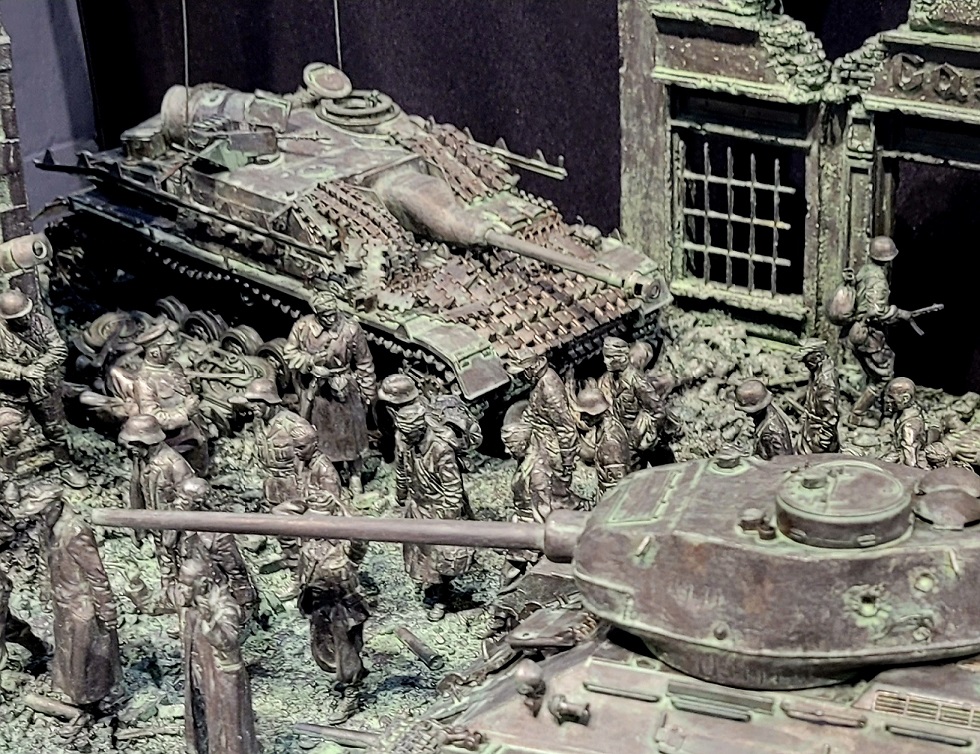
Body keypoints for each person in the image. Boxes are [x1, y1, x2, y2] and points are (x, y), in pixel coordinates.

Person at [18, 483, 121, 708]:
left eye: (42, 511)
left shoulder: (75, 531)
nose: (38, 517)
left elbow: (96, 574)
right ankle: (69, 689)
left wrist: (106, 609)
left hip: (81, 602)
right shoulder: (47, 525)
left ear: (56, 506)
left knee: (85, 652)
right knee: (66, 648)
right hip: (63, 598)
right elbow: (46, 558)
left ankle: (90, 695)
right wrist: (45, 586)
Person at [283, 290, 376, 493]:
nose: (331, 319)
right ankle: (326, 472)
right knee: (320, 433)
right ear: (317, 314)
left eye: (333, 314)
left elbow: (364, 362)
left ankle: (355, 474)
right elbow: (290, 353)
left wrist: (368, 392)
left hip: (344, 386)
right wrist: (311, 363)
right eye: (325, 315)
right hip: (318, 390)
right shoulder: (303, 327)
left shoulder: (350, 329)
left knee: (352, 434)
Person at [396, 403, 473, 621]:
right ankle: (432, 586)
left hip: (438, 509)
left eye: (408, 432)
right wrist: (401, 494)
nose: (403, 437)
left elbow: (453, 487)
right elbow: (402, 470)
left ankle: (442, 597)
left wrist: (448, 520)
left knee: (439, 558)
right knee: (420, 554)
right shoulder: (407, 444)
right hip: (418, 506)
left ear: (420, 429)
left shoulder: (440, 449)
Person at [0, 289, 84, 487]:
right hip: (12, 394)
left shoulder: (40, 322)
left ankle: (65, 466)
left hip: (42, 388)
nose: (25, 319)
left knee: (56, 429)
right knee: (9, 435)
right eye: (19, 317)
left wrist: (40, 366)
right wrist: (21, 372)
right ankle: (9, 480)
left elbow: (59, 348)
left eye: (26, 314)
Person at [178, 554, 260, 754]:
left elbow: (229, 642)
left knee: (229, 729)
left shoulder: (225, 605)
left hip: (222, 677)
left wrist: (210, 622)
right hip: (199, 672)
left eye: (187, 585)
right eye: (181, 584)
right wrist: (137, 588)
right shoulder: (189, 599)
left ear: (204, 584)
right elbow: (156, 604)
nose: (181, 590)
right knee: (202, 717)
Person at [297, 511, 370, 724]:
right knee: (323, 649)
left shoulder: (345, 548)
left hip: (343, 608)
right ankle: (348, 676)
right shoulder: (309, 546)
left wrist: (346, 517)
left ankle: (351, 694)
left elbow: (361, 538)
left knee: (346, 652)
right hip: (319, 605)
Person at [845, 236, 924, 427]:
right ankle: (857, 415)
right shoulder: (878, 279)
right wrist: (899, 313)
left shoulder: (865, 271)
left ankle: (876, 406)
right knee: (883, 377)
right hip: (869, 335)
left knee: (877, 370)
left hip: (859, 330)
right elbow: (876, 312)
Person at [118, 319, 210, 473]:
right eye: (169, 347)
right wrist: (185, 412)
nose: (174, 350)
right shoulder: (144, 381)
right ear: (154, 352)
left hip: (195, 433)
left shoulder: (174, 367)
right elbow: (153, 418)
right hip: (175, 443)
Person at [119, 414, 194, 597]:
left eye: (135, 443)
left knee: (184, 564)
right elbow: (138, 491)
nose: (130, 447)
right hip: (157, 525)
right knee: (165, 563)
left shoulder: (174, 464)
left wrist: (172, 529)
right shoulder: (141, 461)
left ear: (148, 442)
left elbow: (189, 498)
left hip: (178, 530)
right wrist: (138, 524)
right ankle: (169, 594)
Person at [508, 351, 578, 504]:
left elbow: (566, 428)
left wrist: (567, 461)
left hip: (548, 446)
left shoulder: (549, 389)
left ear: (531, 369)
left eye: (522, 373)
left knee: (553, 493)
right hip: (537, 439)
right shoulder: (539, 381)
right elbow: (533, 409)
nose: (519, 378)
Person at [598, 337, 666, 468]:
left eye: (611, 357)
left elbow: (658, 411)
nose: (605, 361)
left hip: (642, 439)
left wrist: (646, 435)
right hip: (624, 439)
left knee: (666, 470)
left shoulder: (637, 382)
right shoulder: (608, 379)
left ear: (623, 357)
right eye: (606, 356)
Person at [575, 387, 632, 500]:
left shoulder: (610, 441)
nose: (581, 418)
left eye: (585, 413)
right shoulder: (605, 426)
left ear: (596, 412)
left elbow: (617, 484)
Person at [797, 339, 840, 454]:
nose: (805, 365)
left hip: (818, 435)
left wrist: (823, 439)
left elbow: (831, 415)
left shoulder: (826, 382)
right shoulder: (816, 372)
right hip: (810, 430)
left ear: (818, 357)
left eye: (807, 361)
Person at [734, 379, 794, 461]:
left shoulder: (772, 433)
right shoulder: (763, 417)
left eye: (748, 411)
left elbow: (781, 462)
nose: (747, 414)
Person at [882, 377, 928, 468]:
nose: (886, 399)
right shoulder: (902, 413)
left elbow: (910, 462)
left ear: (905, 399)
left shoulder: (909, 427)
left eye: (891, 397)